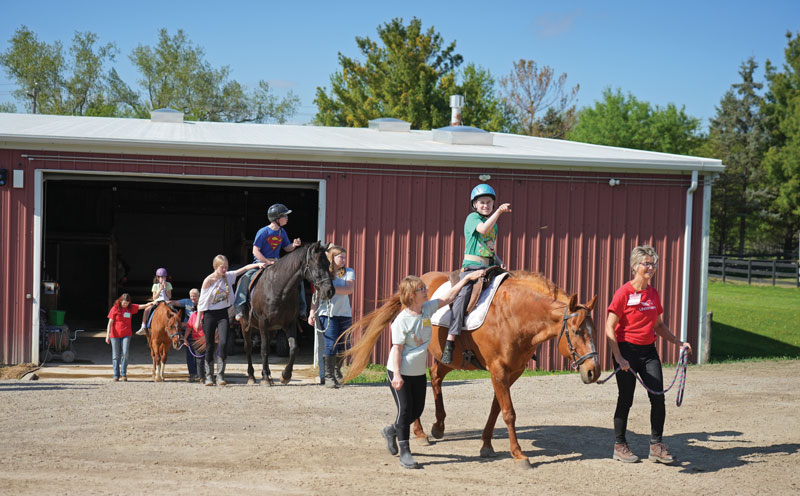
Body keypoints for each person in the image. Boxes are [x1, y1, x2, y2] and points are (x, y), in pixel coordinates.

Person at [381, 270, 485, 469]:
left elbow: (448, 297)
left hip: (418, 372)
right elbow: (397, 350)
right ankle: (405, 452)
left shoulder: (426, 310)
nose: (426, 290)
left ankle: (390, 431)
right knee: (404, 412)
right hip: (400, 372)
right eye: (422, 289)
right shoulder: (401, 321)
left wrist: (466, 279)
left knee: (416, 410)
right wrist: (396, 375)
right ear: (412, 295)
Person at [605, 245, 692, 464]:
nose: (651, 268)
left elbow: (659, 325)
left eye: (653, 264)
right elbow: (609, 328)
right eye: (647, 263)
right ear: (635, 266)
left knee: (658, 398)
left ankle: (656, 446)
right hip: (626, 350)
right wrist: (619, 357)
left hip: (648, 352)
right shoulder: (624, 292)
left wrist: (678, 342)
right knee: (626, 399)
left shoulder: (653, 293)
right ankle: (620, 445)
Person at [441, 184, 511, 364]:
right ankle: (450, 340)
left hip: (489, 266)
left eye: (489, 202)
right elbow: (483, 230)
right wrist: (499, 213)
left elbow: (488, 246)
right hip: (472, 268)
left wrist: (498, 259)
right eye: (482, 202)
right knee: (463, 295)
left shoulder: (492, 224)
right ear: (474, 205)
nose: (485, 205)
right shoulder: (473, 218)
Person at [198, 255, 265, 386]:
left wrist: (258, 265)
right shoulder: (208, 280)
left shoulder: (228, 276)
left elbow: (244, 268)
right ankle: (209, 376)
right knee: (210, 345)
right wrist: (198, 319)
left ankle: (220, 375)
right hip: (209, 314)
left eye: (226, 267)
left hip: (223, 313)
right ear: (216, 267)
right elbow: (201, 302)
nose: (225, 270)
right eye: (222, 267)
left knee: (223, 343)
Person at [233, 203, 302, 321]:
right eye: (284, 216)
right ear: (277, 218)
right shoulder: (263, 232)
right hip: (261, 263)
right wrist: (266, 261)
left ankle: (301, 308)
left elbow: (286, 248)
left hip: (277, 264)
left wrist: (294, 245)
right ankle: (239, 307)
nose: (287, 218)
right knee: (246, 277)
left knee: (296, 278)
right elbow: (255, 251)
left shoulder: (282, 232)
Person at [308, 244, 355, 388]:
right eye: (341, 257)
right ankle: (328, 377)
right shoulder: (324, 273)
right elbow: (316, 294)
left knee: (344, 346)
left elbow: (349, 289)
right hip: (327, 314)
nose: (344, 260)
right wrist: (311, 312)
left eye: (345, 257)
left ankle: (336, 370)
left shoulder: (348, 272)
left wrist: (329, 288)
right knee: (331, 344)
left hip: (344, 314)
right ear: (332, 257)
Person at [105, 294, 154, 381]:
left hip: (126, 334)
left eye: (127, 303)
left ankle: (123, 373)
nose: (125, 305)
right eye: (124, 303)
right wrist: (107, 335)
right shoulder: (115, 308)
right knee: (115, 356)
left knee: (125, 354)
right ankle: (116, 374)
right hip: (115, 335)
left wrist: (152, 303)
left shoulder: (130, 308)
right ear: (120, 301)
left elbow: (142, 306)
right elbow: (110, 322)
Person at [169, 288, 200, 382]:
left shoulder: (203, 303)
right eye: (191, 296)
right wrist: (168, 302)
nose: (193, 298)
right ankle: (192, 373)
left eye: (195, 296)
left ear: (199, 296)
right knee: (190, 353)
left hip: (199, 331)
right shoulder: (187, 302)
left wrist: (186, 324)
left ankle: (201, 373)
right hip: (188, 331)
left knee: (199, 353)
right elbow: (176, 303)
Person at [136, 267, 173, 335]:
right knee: (147, 309)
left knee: (175, 312)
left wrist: (165, 289)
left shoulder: (168, 284)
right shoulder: (155, 285)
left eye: (164, 277)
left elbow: (169, 296)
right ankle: (143, 326)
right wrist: (160, 289)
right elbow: (154, 297)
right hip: (157, 301)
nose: (163, 279)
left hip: (166, 301)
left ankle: (177, 329)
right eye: (161, 277)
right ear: (157, 278)